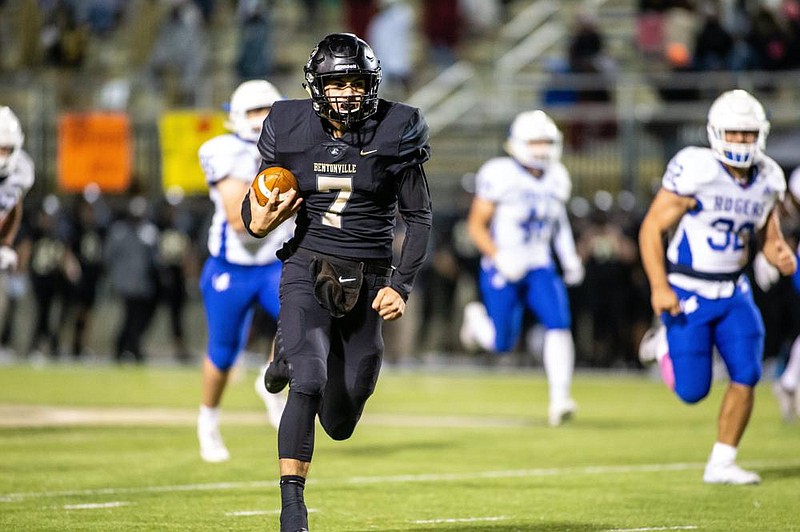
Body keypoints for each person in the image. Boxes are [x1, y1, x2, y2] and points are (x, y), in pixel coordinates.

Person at [242, 33, 432, 532]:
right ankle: (292, 509)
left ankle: (285, 349)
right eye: (337, 82)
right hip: (307, 265)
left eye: (355, 82)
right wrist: (258, 221)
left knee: (342, 420)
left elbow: (420, 217)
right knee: (309, 380)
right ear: (316, 85)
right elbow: (254, 205)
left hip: (369, 279)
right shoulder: (286, 124)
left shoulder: (398, 126)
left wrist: (402, 285)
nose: (347, 93)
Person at [638, 89, 796, 485]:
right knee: (692, 392)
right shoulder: (697, 170)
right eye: (734, 133)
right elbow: (651, 229)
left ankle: (722, 462)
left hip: (733, 291)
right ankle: (663, 344)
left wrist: (779, 253)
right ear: (715, 133)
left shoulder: (769, 178)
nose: (741, 141)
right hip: (688, 289)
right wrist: (659, 287)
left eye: (747, 134)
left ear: (760, 134)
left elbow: (768, 232)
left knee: (747, 371)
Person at [458, 110, 584, 427]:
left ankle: (560, 399)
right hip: (505, 265)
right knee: (503, 343)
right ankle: (475, 320)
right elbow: (476, 225)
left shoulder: (558, 175)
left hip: (539, 262)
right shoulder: (500, 173)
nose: (541, 149)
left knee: (559, 323)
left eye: (546, 142)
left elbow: (559, 222)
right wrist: (499, 257)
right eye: (535, 142)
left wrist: (568, 258)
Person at [196, 79, 293, 463]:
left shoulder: (291, 146)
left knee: (303, 316)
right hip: (230, 267)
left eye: (268, 109)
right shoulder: (223, 151)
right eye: (254, 111)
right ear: (236, 115)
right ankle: (208, 420)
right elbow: (241, 221)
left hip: (273, 263)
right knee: (222, 353)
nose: (262, 118)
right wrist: (291, 205)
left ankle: (271, 382)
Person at [0, 106, 35, 329]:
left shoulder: (22, 170)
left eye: (6, 149)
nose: (1, 155)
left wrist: (5, 242)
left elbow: (13, 205)